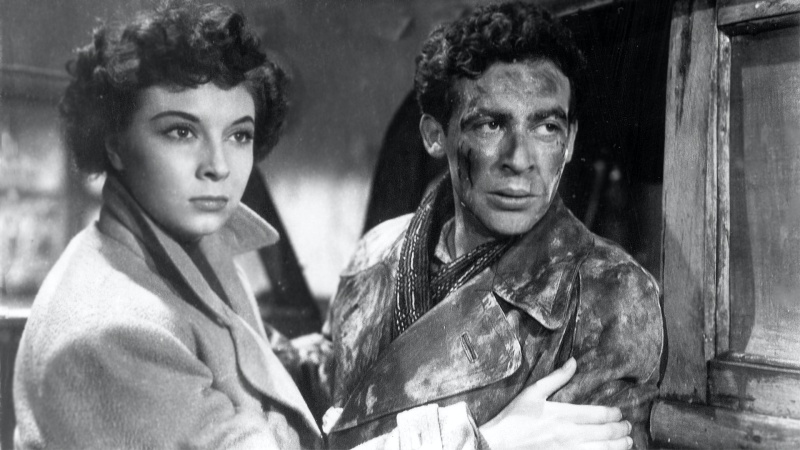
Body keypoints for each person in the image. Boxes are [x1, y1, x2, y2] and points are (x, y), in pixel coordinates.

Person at [13, 2, 623, 449]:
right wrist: (484, 442)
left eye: (239, 134)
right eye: (180, 131)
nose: (218, 166)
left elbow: (248, 365)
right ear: (114, 142)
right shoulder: (113, 329)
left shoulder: (189, 244)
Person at [324, 2, 664, 449]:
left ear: (570, 141)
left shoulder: (609, 294)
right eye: (490, 125)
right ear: (434, 135)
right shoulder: (375, 254)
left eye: (546, 127)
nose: (519, 159)